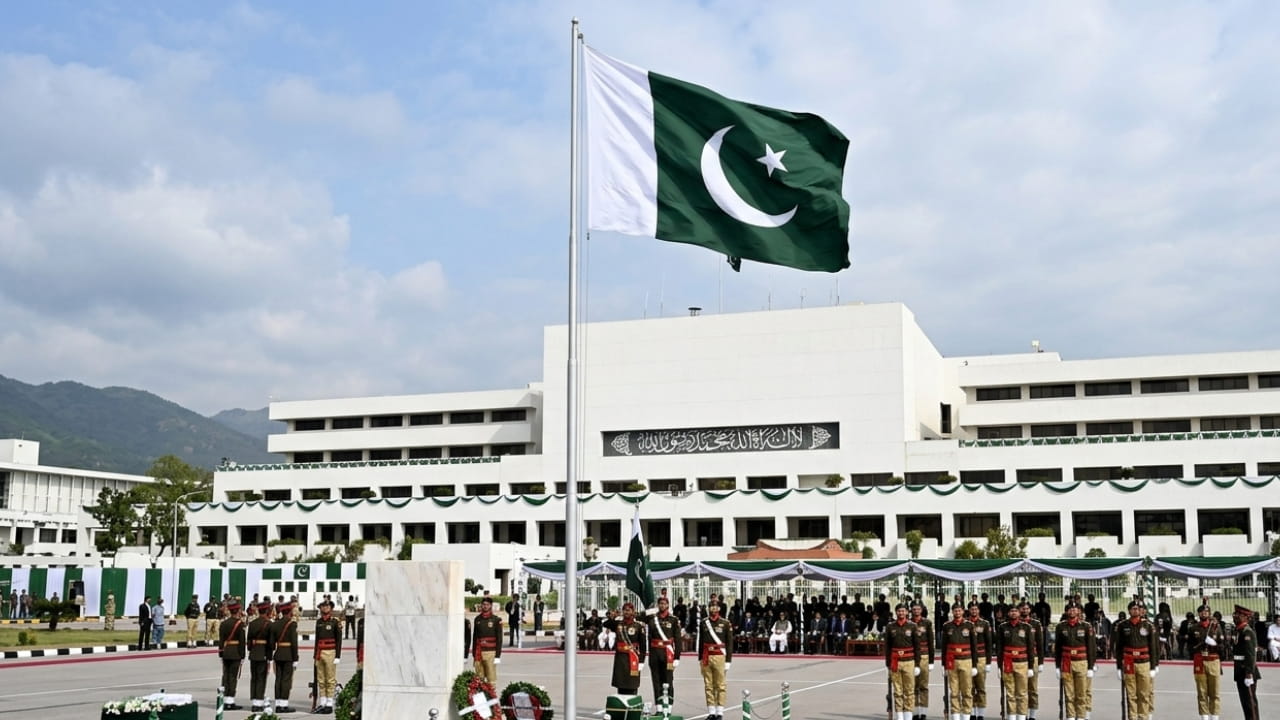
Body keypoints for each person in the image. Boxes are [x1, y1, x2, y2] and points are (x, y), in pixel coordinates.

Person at [1113, 601, 1158, 720]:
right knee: (1131, 694)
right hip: (1129, 662)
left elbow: (1153, 647)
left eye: (1138, 608)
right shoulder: (1123, 625)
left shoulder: (1148, 625)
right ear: (1129, 610)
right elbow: (1119, 648)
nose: (1136, 610)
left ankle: (1143, 717)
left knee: (1144, 694)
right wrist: (1118, 667)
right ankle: (1132, 717)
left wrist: (1153, 666)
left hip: (1144, 662)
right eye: (1133, 608)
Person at [1055, 604, 1096, 720]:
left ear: (1079, 611)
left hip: (1081, 662)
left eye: (1074, 609)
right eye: (1070, 609)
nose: (1072, 611)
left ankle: (1081, 717)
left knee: (1081, 693)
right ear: (1066, 611)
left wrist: (1091, 667)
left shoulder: (1086, 626)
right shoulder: (1061, 627)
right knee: (1068, 694)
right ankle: (1071, 717)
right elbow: (1058, 648)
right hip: (1067, 662)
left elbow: (1091, 647)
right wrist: (1057, 666)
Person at [1186, 603, 1225, 720]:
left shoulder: (1216, 627)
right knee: (1202, 692)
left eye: (1206, 612)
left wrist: (1214, 644)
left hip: (1213, 660)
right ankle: (1204, 717)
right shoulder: (1194, 628)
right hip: (1200, 661)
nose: (1204, 614)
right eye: (1202, 612)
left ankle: (1215, 716)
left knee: (1215, 692)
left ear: (1209, 614)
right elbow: (1190, 647)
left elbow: (1223, 646)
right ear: (1199, 613)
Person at [698, 596, 733, 720]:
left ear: (719, 608)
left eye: (715, 606)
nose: (713, 608)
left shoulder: (725, 623)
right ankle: (711, 711)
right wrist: (700, 658)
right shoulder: (704, 623)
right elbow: (701, 641)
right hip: (706, 656)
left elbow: (729, 643)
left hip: (719, 656)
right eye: (711, 606)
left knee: (720, 685)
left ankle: (720, 711)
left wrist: (728, 660)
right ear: (708, 608)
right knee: (708, 685)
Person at [995, 605, 1032, 720]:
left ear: (1019, 613)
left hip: (1022, 663)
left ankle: (1021, 717)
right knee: (1010, 693)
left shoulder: (1026, 627)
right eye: (1011, 611)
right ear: (1008, 613)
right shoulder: (1002, 627)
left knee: (1022, 693)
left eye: (1016, 611)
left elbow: (1030, 648)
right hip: (1007, 663)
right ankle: (1011, 716)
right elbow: (999, 648)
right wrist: (999, 666)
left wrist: (1030, 666)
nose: (1014, 613)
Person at [885, 604, 921, 720]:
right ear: (896, 612)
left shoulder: (913, 626)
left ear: (906, 612)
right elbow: (887, 647)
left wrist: (917, 664)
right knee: (898, 690)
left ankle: (908, 716)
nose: (901, 613)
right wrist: (888, 664)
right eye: (899, 611)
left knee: (909, 690)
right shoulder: (890, 627)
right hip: (895, 661)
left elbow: (917, 647)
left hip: (909, 661)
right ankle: (900, 716)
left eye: (903, 611)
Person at [941, 604, 977, 720]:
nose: (957, 612)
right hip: (952, 661)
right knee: (954, 691)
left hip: (966, 660)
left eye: (959, 610)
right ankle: (956, 716)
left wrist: (974, 665)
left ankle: (966, 716)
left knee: (967, 691)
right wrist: (943, 665)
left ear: (963, 612)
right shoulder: (947, 626)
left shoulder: (970, 625)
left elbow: (974, 647)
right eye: (955, 610)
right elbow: (944, 647)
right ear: (952, 612)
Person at [647, 595, 682, 706]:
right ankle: (659, 707)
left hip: (668, 654)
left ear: (667, 605)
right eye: (660, 603)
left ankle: (669, 706)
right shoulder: (652, 619)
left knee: (668, 680)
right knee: (656, 681)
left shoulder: (674, 620)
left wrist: (677, 657)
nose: (662, 605)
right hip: (655, 654)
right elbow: (649, 638)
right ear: (658, 605)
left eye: (664, 603)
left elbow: (678, 640)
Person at [605, 602, 646, 696]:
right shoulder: (618, 624)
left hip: (633, 657)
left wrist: (642, 661)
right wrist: (613, 617)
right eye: (624, 610)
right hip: (620, 658)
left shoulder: (638, 626)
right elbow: (606, 624)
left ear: (633, 611)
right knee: (621, 683)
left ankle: (631, 705)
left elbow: (643, 646)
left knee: (632, 683)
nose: (626, 612)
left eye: (628, 610)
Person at [313, 598, 342, 713]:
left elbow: (339, 640)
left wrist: (338, 656)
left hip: (330, 652)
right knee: (321, 679)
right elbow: (317, 639)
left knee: (330, 679)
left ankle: (329, 703)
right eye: (323, 606)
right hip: (320, 652)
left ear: (331, 608)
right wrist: (315, 654)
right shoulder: (319, 622)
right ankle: (323, 702)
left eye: (327, 606)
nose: (324, 608)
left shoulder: (335, 622)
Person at [1233, 605, 1260, 720]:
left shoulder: (1247, 632)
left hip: (1246, 671)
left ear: (1245, 617)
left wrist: (1249, 673)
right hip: (1240, 671)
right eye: (1235, 614)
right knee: (1245, 703)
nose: (1235, 616)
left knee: (1250, 704)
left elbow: (1250, 655)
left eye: (1238, 614)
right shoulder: (1239, 630)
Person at [271, 601, 300, 713]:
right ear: (290, 612)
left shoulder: (275, 624)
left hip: (278, 654)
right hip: (288, 655)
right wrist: (295, 658)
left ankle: (278, 704)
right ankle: (284, 704)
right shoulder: (292, 624)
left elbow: (272, 643)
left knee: (278, 679)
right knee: (286, 680)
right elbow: (294, 643)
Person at [1018, 600, 1044, 720]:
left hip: (1033, 658)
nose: (1025, 610)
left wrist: (1041, 662)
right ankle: (1021, 714)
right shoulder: (1015, 624)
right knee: (1020, 689)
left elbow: (1040, 644)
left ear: (1030, 610)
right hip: (1019, 659)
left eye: (1027, 608)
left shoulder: (1036, 624)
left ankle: (1032, 715)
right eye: (1022, 608)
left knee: (1032, 688)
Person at [218, 600, 246, 711]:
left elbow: (221, 640)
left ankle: (224, 700)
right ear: (238, 610)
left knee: (226, 676)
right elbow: (242, 641)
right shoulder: (240, 624)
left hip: (225, 652)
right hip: (235, 653)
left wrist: (220, 653)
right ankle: (230, 701)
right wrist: (242, 656)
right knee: (233, 677)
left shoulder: (224, 624)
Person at [248, 600, 275, 713]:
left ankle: (254, 701)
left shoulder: (252, 623)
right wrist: (269, 657)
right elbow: (271, 643)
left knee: (254, 678)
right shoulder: (269, 624)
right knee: (261, 679)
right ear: (267, 611)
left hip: (253, 653)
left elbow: (249, 641)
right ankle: (258, 702)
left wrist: (251, 650)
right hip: (263, 653)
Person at [910, 601, 936, 720]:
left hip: (924, 657)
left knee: (923, 686)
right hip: (911, 658)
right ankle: (915, 712)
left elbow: (931, 643)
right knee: (913, 686)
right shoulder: (908, 623)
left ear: (921, 610)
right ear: (911, 610)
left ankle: (924, 712)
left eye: (918, 609)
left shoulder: (927, 623)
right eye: (914, 609)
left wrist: (931, 661)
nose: (916, 611)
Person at [969, 602, 993, 720]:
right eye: (972, 609)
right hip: (968, 658)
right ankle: (972, 712)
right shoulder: (966, 624)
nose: (974, 611)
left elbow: (989, 644)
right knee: (970, 687)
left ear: (979, 611)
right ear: (969, 610)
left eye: (976, 609)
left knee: (981, 686)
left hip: (981, 657)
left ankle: (981, 713)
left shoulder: (985, 624)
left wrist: (989, 662)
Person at [470, 596, 503, 685]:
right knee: (479, 679)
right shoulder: (477, 619)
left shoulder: (496, 620)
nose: (485, 606)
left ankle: (491, 697)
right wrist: (473, 652)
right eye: (483, 604)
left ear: (491, 606)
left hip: (491, 653)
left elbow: (499, 639)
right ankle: (482, 697)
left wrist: (497, 656)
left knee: (491, 680)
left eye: (487, 605)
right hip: (479, 652)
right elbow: (475, 636)